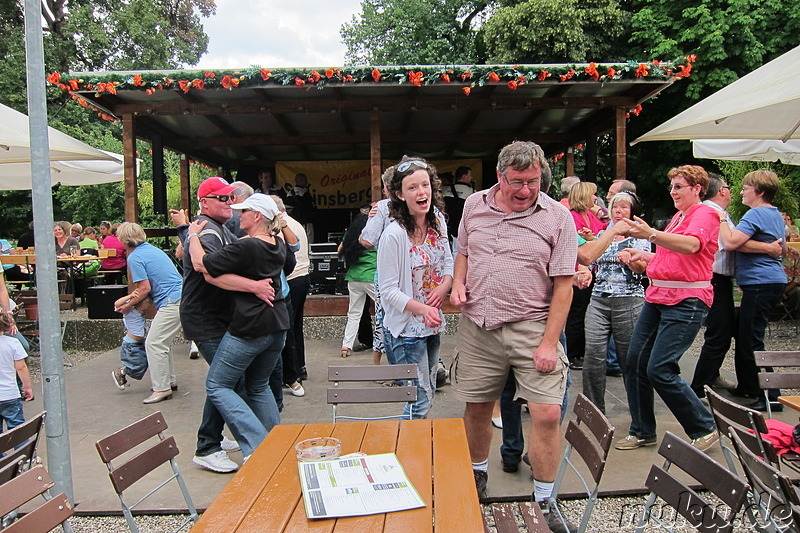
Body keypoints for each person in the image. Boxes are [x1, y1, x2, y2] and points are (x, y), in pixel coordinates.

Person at [449, 141, 576, 528]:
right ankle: (477, 474)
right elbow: (464, 251)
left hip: (533, 325)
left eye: (533, 181)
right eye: (517, 182)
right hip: (478, 327)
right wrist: (457, 282)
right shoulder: (474, 206)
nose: (525, 190)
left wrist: (550, 343)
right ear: (500, 176)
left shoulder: (558, 218)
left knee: (548, 412)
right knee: (476, 406)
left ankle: (545, 500)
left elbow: (565, 285)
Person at [170, 176, 275, 473]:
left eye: (233, 198)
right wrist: (254, 287)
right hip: (205, 319)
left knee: (225, 381)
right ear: (205, 203)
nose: (231, 203)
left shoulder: (219, 229)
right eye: (224, 198)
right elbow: (206, 268)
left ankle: (213, 438)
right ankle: (207, 446)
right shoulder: (206, 232)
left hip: (219, 317)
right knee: (227, 382)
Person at [615, 165, 719, 453]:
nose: (672, 191)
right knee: (635, 361)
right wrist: (645, 256)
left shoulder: (706, 213)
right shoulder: (678, 217)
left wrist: (650, 235)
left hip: (686, 300)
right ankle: (643, 430)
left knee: (660, 367)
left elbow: (692, 246)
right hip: (659, 295)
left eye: (678, 186)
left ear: (697, 189)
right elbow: (672, 255)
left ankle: (705, 426)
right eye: (671, 186)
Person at [187, 193, 289, 461]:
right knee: (258, 386)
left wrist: (192, 236)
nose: (237, 215)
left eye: (243, 211)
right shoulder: (277, 244)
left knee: (218, 386)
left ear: (257, 216)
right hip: (277, 325)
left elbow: (201, 264)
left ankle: (257, 446)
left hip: (250, 326)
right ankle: (276, 445)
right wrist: (251, 285)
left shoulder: (247, 248)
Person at [377, 156, 453, 419]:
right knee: (419, 401)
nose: (422, 192)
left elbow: (448, 262)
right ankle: (401, 453)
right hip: (407, 330)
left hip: (432, 323)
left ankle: (411, 449)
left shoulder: (438, 221)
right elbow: (387, 291)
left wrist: (444, 286)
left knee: (428, 392)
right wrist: (422, 309)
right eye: (413, 187)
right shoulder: (393, 235)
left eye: (425, 185)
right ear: (399, 194)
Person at [718, 170, 788, 412]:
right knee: (744, 333)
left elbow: (730, 242)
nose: (741, 192)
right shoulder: (774, 214)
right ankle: (748, 385)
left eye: (746, 188)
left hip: (761, 282)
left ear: (758, 191)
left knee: (751, 339)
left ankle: (770, 396)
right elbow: (772, 246)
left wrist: (722, 219)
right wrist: (766, 248)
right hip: (767, 281)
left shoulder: (756, 213)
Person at [577, 192, 648, 414]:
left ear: (632, 211)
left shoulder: (641, 237)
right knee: (593, 357)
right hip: (599, 299)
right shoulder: (602, 234)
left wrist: (632, 263)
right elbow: (591, 262)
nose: (619, 211)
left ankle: (640, 418)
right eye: (615, 207)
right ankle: (593, 412)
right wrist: (585, 273)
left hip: (629, 300)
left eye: (624, 207)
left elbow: (643, 269)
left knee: (630, 360)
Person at [114, 222, 183, 405]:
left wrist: (128, 305)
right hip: (181, 296)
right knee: (162, 342)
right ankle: (169, 381)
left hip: (171, 300)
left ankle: (161, 388)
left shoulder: (135, 257)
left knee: (154, 343)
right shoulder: (152, 249)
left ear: (124, 240)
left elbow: (144, 288)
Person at [339, 207, 379, 363]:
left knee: (354, 313)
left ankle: (346, 346)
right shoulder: (374, 232)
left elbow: (339, 250)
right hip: (371, 276)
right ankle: (388, 343)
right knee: (386, 310)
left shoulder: (352, 234)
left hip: (354, 277)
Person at [110, 290, 156, 390]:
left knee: (144, 364)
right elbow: (117, 304)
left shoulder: (140, 312)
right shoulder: (129, 310)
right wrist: (130, 297)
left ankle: (123, 376)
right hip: (131, 345)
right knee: (139, 365)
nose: (144, 312)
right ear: (137, 304)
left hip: (139, 343)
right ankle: (121, 372)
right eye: (143, 310)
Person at [0, 312, 33, 432]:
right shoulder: (13, 343)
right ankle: (23, 451)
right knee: (18, 430)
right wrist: (27, 387)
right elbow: (21, 368)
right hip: (10, 394)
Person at [286, 173, 316, 244]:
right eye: (305, 181)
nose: (307, 182)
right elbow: (310, 208)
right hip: (306, 223)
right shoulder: (304, 193)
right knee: (308, 244)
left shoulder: (289, 194)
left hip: (294, 223)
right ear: (301, 181)